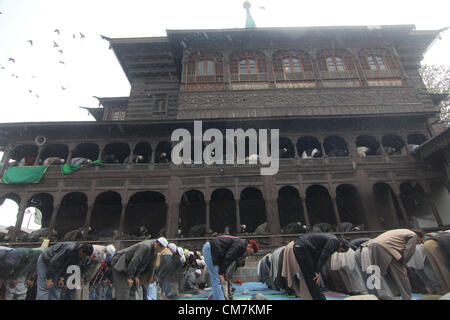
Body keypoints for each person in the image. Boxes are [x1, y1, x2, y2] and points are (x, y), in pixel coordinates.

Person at [366, 229, 424, 300]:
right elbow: (409, 252)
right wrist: (402, 266)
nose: (419, 243)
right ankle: (407, 298)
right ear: (419, 236)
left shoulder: (402, 231)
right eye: (420, 241)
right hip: (385, 248)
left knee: (387, 274)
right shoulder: (413, 235)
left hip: (372, 246)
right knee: (401, 276)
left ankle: (395, 296)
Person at [292, 233, 349, 300]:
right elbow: (323, 256)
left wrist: (316, 269)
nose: (339, 252)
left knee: (309, 276)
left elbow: (318, 254)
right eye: (341, 251)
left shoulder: (330, 239)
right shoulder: (334, 242)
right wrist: (316, 271)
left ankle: (314, 297)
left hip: (299, 245)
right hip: (304, 247)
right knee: (313, 277)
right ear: (341, 244)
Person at [202, 235, 258, 300]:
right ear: (249, 246)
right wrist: (221, 273)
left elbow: (228, 260)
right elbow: (228, 257)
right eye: (251, 253)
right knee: (216, 279)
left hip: (216, 252)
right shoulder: (240, 245)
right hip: (211, 249)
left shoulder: (241, 245)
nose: (249, 254)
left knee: (217, 280)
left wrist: (224, 273)